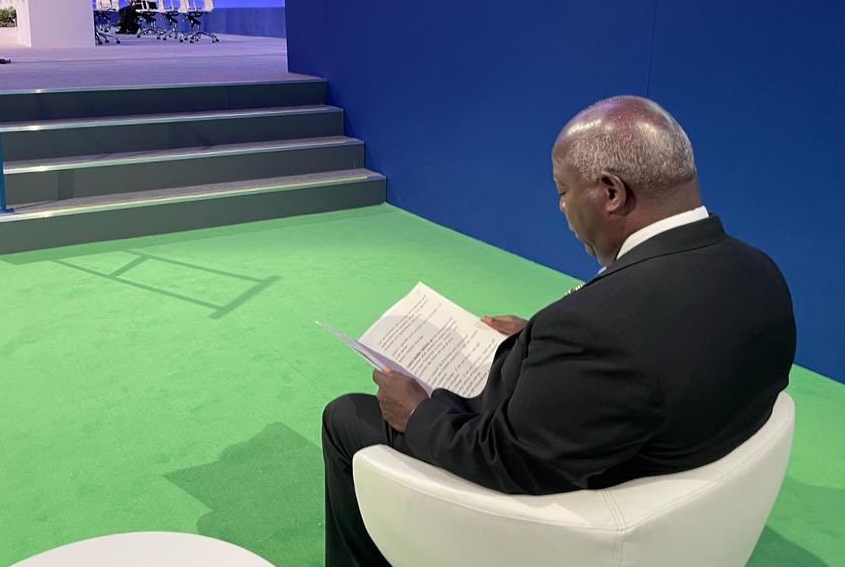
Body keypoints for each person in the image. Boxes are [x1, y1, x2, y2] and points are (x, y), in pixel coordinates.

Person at [321, 95, 796, 566]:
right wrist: (535, 339)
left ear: (612, 192)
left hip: (566, 515)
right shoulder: (762, 273)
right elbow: (665, 353)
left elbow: (509, 459)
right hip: (668, 472)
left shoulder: (597, 329)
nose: (562, 207)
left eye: (563, 190)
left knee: (345, 416)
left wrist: (418, 412)